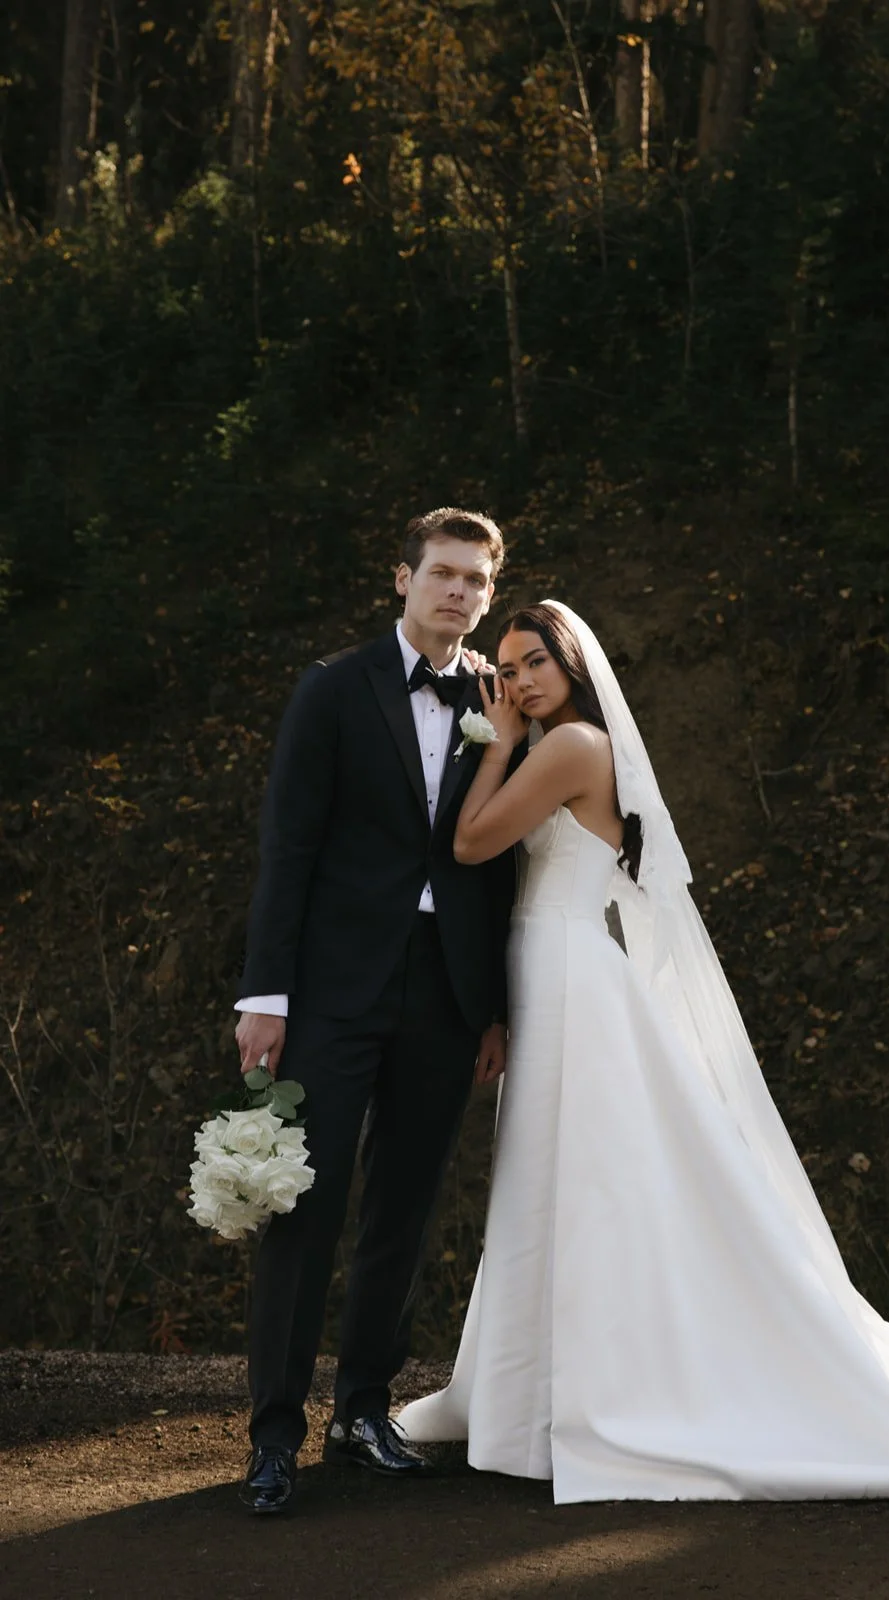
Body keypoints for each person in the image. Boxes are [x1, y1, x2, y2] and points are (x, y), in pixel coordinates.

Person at [397, 600, 889, 1503]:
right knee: (552, 1182)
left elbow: (473, 842)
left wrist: (494, 741)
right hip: (552, 971)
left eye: (532, 665)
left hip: (567, 973)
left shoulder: (570, 747)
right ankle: (529, 1392)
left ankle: (567, 1396)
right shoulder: (559, 743)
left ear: (571, 666)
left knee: (577, 1181)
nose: (515, 682)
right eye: (506, 669)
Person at [233, 508, 518, 1515]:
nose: (456, 592)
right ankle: (273, 1435)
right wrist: (265, 997)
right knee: (302, 1212)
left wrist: (490, 1008)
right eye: (441, 572)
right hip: (331, 994)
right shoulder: (331, 689)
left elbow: (502, 865)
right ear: (401, 579)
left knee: (402, 1207)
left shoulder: (497, 697)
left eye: (475, 581)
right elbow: (288, 847)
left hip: (444, 996)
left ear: (488, 594)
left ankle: (362, 1411)